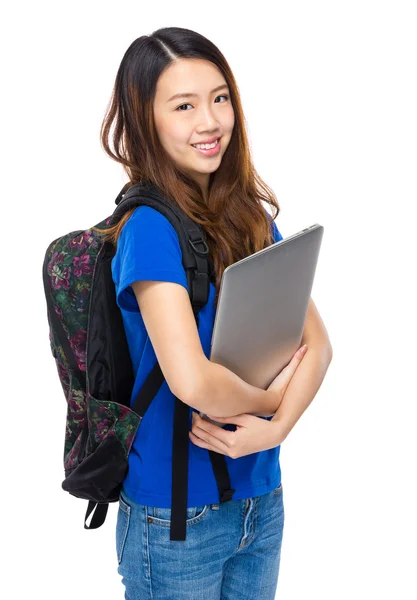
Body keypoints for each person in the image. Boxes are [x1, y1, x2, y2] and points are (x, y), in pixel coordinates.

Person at [98, 26, 332, 600]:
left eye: (220, 97)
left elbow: (319, 346)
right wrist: (273, 399)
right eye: (184, 106)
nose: (210, 121)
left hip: (260, 498)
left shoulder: (247, 214)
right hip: (176, 519)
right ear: (144, 119)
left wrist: (274, 430)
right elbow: (194, 382)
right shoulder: (149, 230)